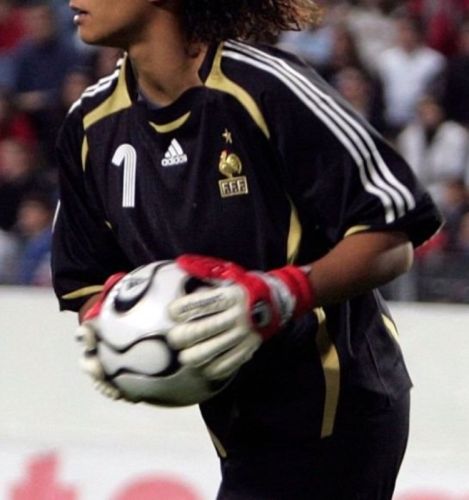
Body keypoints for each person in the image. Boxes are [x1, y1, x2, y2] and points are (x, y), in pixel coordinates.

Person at [51, 1, 443, 499]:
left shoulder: (265, 87)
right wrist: (116, 332)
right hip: (239, 424)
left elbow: (394, 234)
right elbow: (86, 280)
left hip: (337, 408)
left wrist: (277, 294)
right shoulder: (89, 125)